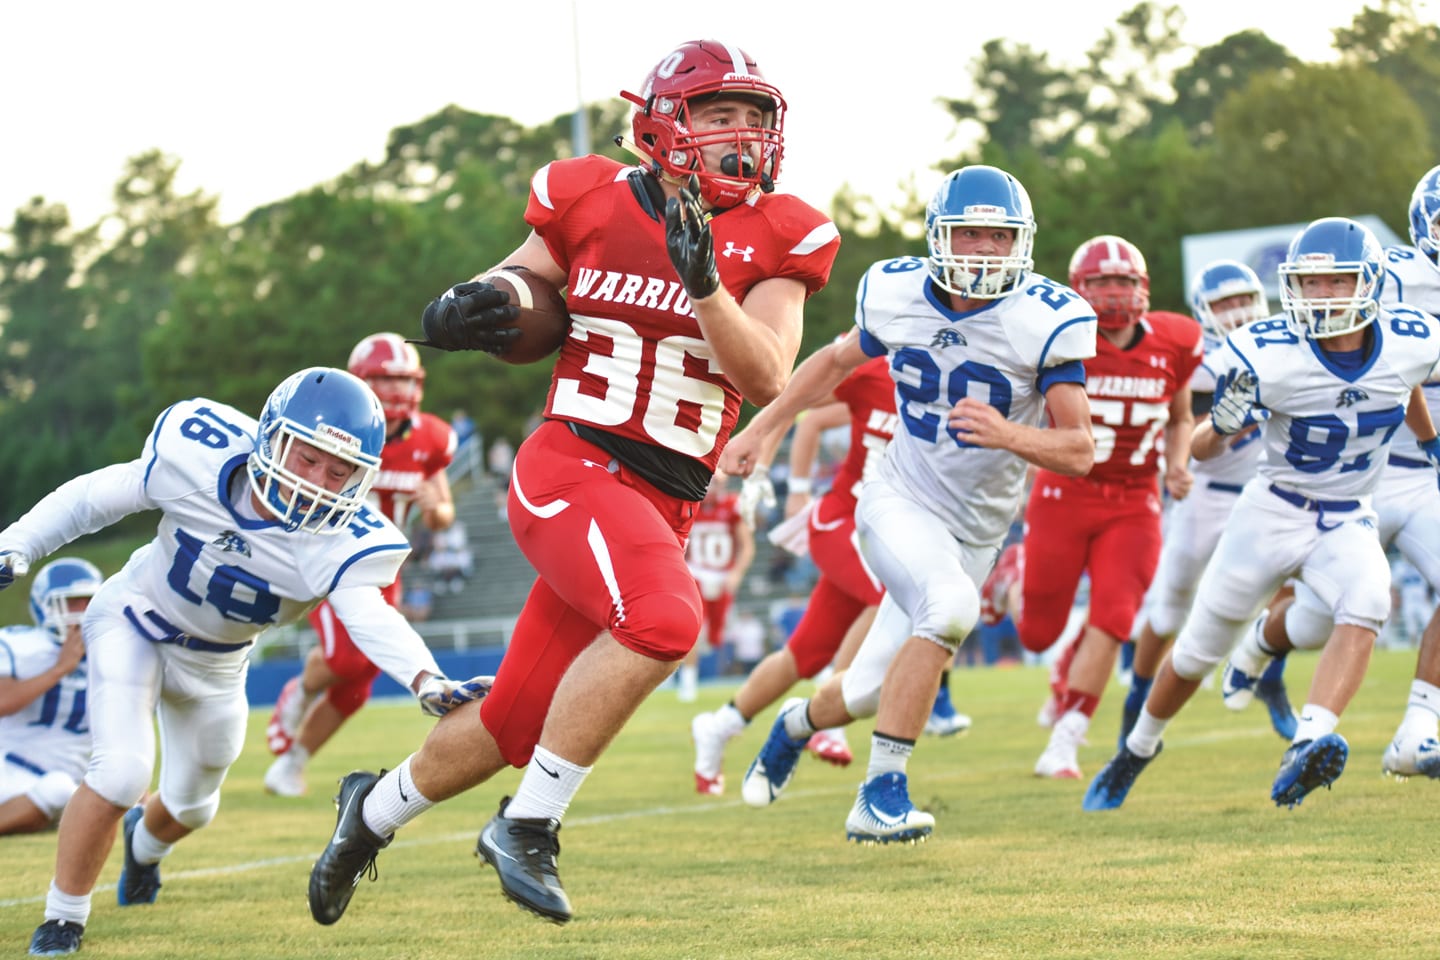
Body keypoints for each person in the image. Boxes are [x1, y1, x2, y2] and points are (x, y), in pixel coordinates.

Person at [306, 39, 839, 928]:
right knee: (665, 620)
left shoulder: (785, 230)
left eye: (754, 115)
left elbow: (770, 374)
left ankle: (368, 813)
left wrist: (705, 280)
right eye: (719, 114)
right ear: (661, 124)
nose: (742, 133)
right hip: (574, 462)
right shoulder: (588, 192)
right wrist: (474, 303)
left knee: (511, 726)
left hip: (663, 499)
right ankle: (529, 826)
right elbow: (524, 283)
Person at [1, 367, 486, 957]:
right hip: (134, 622)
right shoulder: (195, 455)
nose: (318, 480)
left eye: (340, 471)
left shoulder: (345, 538)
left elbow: (370, 614)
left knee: (191, 807)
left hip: (218, 666)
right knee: (122, 771)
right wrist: (19, 543)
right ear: (271, 438)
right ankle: (63, 918)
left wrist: (426, 678)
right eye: (307, 457)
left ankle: (145, 847)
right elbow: (94, 497)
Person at [727, 164, 1096, 843]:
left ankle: (794, 724)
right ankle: (881, 792)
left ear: (1023, 243)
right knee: (951, 608)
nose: (985, 251)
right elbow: (834, 364)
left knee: (865, 693)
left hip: (978, 530)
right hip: (898, 499)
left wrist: (1009, 432)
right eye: (970, 234)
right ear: (939, 237)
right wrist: (763, 426)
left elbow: (1080, 449)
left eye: (999, 237)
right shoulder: (897, 292)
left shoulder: (1047, 319)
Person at [1084, 217, 1440, 813]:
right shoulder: (1268, 353)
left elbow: (1403, 384)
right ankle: (1137, 748)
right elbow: (1199, 449)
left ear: (1371, 282)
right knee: (1197, 651)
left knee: (1370, 596)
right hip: (1271, 511)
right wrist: (1219, 427)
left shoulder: (1412, 338)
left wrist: (1429, 444)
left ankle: (1308, 743)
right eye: (1309, 283)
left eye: (1336, 282)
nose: (1321, 297)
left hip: (1349, 513)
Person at [1219, 166, 1440, 782]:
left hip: (1425, 475)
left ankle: (1418, 732)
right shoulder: (1389, 275)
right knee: (1318, 620)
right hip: (1362, 471)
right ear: (1423, 221)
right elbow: (1399, 373)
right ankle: (1263, 641)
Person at [978, 236, 1202, 780]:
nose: (1114, 293)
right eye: (1101, 283)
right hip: (1065, 493)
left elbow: (1180, 417)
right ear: (1079, 289)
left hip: (1134, 500)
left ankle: (1066, 740)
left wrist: (1179, 463)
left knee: (1115, 617)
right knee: (1037, 634)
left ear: (1142, 287)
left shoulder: (1177, 340)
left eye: (1124, 281)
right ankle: (1013, 576)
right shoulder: (1061, 337)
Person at [264, 334, 458, 798]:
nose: (397, 390)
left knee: (359, 684)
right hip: (325, 555)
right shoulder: (337, 429)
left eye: (404, 380)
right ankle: (304, 686)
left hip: (378, 569)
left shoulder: (431, 437)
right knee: (347, 659)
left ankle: (295, 760)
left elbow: (442, 512)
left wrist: (437, 508)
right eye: (386, 379)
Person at [693, 354, 895, 794]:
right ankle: (830, 714)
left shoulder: (950, 382)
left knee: (802, 655)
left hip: (885, 537)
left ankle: (719, 725)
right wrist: (794, 487)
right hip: (842, 520)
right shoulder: (879, 371)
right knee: (892, 599)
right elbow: (798, 405)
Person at [1120, 259, 1280, 749]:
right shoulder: (1196, 363)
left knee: (1294, 587)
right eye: (1223, 304)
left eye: (1242, 300)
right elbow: (1186, 432)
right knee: (1169, 609)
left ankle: (1271, 678)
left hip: (1267, 493)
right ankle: (1138, 695)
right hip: (1206, 495)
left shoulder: (1285, 346)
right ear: (1202, 312)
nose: (1235, 312)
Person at [0, 559, 102, 836]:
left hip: (61, 783)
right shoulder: (20, 646)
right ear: (44, 606)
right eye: (72, 603)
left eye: (88, 602)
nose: (81, 612)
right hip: (7, 765)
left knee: (60, 790)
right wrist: (59, 669)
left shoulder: (112, 656)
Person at [675, 471, 756, 702]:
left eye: (718, 483)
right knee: (694, 629)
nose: (713, 488)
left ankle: (729, 676)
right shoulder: (691, 504)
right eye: (711, 482)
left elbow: (747, 546)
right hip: (696, 574)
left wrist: (737, 574)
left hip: (722, 576)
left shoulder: (732, 506)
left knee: (716, 637)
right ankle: (688, 683)